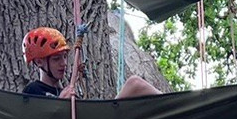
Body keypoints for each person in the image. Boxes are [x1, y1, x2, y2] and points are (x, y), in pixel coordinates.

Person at [21, 26, 160, 100]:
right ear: (39, 62)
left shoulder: (65, 90)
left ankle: (175, 109)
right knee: (134, 83)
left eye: (64, 57)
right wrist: (60, 104)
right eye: (56, 59)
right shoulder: (33, 90)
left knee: (136, 85)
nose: (64, 63)